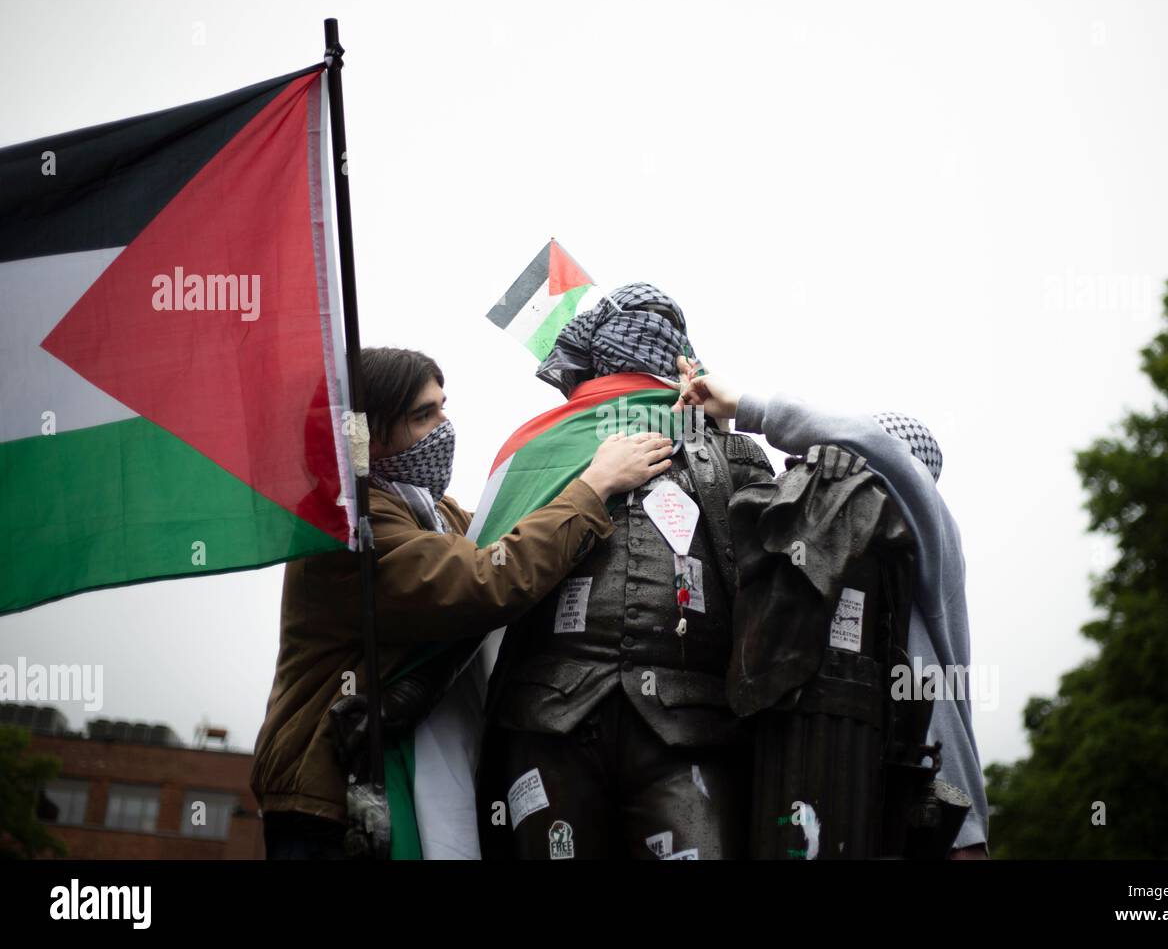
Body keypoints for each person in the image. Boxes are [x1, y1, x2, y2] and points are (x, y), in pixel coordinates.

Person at [251, 346, 673, 859]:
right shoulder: (348, 527)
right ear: (368, 435)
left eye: (442, 408)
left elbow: (520, 534)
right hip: (330, 803)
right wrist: (594, 484)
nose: (444, 427)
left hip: (385, 781)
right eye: (422, 415)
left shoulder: (432, 511)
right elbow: (488, 579)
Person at [475, 283, 775, 860]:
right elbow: (482, 577)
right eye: (635, 321)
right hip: (547, 718)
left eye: (663, 322)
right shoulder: (541, 448)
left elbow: (771, 579)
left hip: (694, 726)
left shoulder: (730, 451)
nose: (647, 333)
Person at [673, 356, 990, 858]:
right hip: (842, 778)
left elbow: (876, 447)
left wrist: (746, 405)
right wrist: (709, 427)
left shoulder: (930, 529)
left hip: (936, 791)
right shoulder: (849, 546)